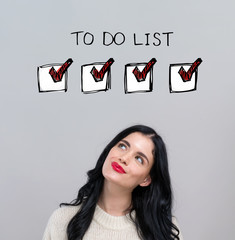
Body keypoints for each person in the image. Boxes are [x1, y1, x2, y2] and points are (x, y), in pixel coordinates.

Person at [42, 125, 183, 240]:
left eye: (139, 159)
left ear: (146, 180)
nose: (124, 158)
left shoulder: (165, 231)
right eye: (122, 146)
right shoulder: (63, 220)